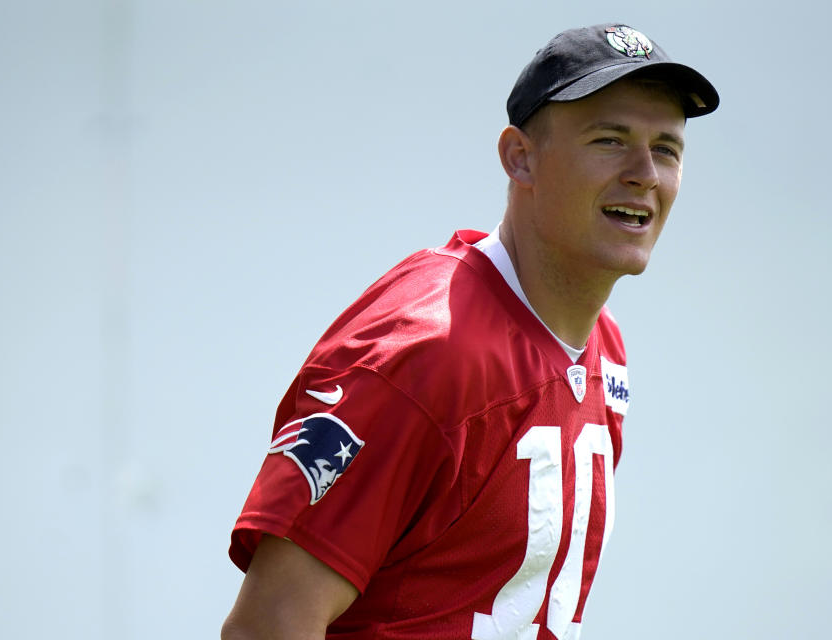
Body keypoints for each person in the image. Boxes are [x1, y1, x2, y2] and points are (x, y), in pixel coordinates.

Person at [222, 23, 718, 640]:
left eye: (666, 148)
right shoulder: (425, 352)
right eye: (609, 140)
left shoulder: (603, 346)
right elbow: (268, 626)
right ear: (520, 157)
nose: (644, 172)